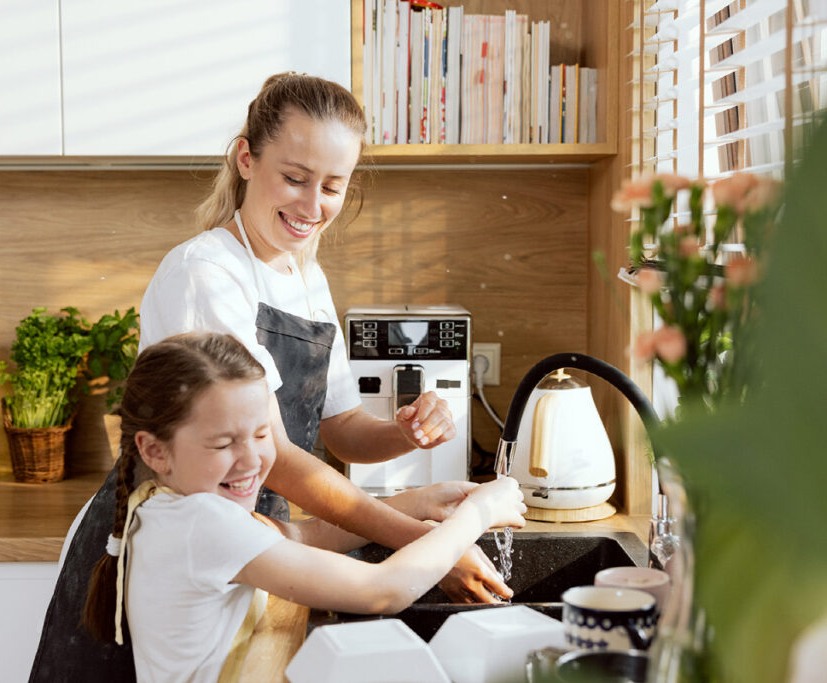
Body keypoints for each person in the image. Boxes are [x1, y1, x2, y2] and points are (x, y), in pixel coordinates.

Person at [30, 73, 511, 682]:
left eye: (333, 186)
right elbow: (273, 455)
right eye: (295, 178)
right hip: (195, 544)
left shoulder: (306, 275)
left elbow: (340, 430)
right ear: (246, 158)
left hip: (258, 533)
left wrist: (404, 433)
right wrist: (421, 537)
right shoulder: (206, 272)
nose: (313, 207)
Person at [82, 332, 526, 682]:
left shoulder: (167, 505)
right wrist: (480, 512)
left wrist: (415, 502)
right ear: (155, 451)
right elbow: (384, 590)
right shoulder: (202, 522)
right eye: (222, 443)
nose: (253, 460)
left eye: (261, 436)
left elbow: (299, 536)